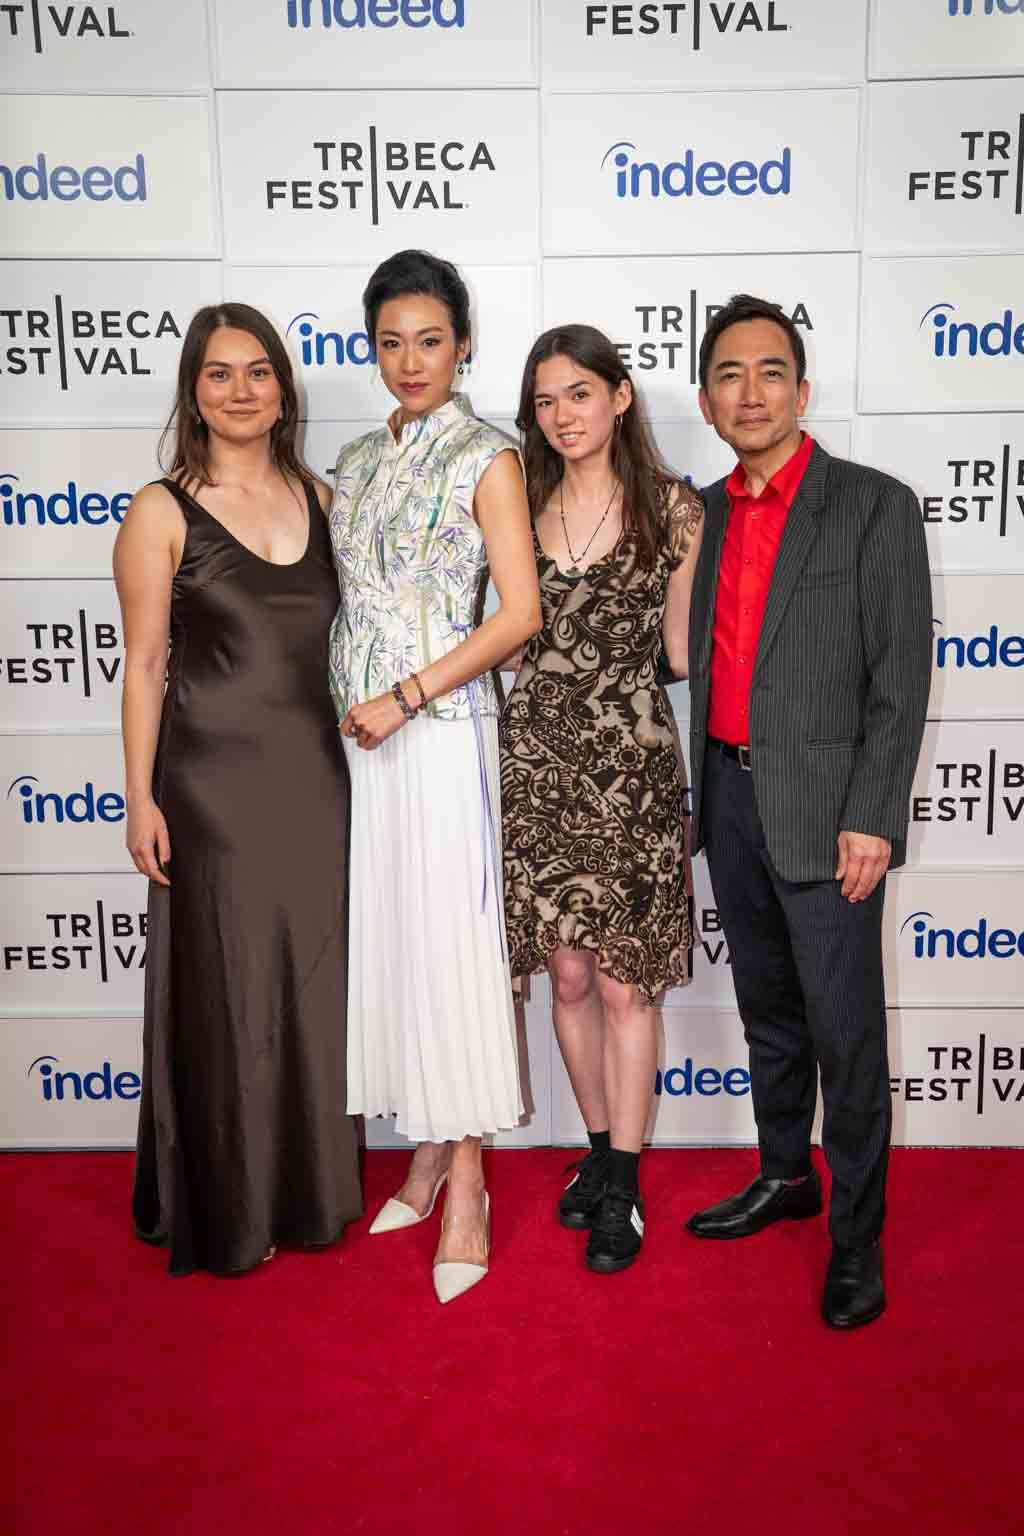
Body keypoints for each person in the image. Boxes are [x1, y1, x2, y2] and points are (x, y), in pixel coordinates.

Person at [683, 293, 932, 1328]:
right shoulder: (697, 513)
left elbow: (898, 678)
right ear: (705, 399)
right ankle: (786, 1175)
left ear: (801, 388)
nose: (750, 392)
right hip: (730, 800)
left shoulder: (871, 505)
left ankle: (856, 1242)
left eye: (769, 371)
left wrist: (872, 813)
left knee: (845, 1036)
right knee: (768, 1018)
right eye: (730, 375)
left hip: (831, 816)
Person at [114, 302, 361, 1276]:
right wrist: (139, 797)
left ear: (284, 388)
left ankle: (306, 1195)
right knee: (225, 992)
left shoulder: (328, 500)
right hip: (209, 788)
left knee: (308, 991)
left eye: (259, 372)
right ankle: (228, 1201)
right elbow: (142, 666)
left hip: (318, 782)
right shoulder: (160, 510)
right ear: (193, 391)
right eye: (220, 374)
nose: (242, 391)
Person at [329, 250, 541, 1304]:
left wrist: (404, 697)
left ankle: (468, 1181)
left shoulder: (487, 458)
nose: (409, 361)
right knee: (403, 947)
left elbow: (518, 615)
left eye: (429, 339)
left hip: (441, 727)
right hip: (363, 746)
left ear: (463, 344)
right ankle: (422, 1144)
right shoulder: (360, 458)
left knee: (455, 950)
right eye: (388, 342)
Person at [501, 324, 704, 1275]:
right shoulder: (519, 499)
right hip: (536, 769)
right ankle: (596, 1150)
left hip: (630, 772)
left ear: (620, 396)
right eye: (545, 400)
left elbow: (678, 657)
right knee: (570, 978)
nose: (562, 416)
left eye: (579, 393)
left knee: (625, 981)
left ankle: (623, 1182)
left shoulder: (675, 511)